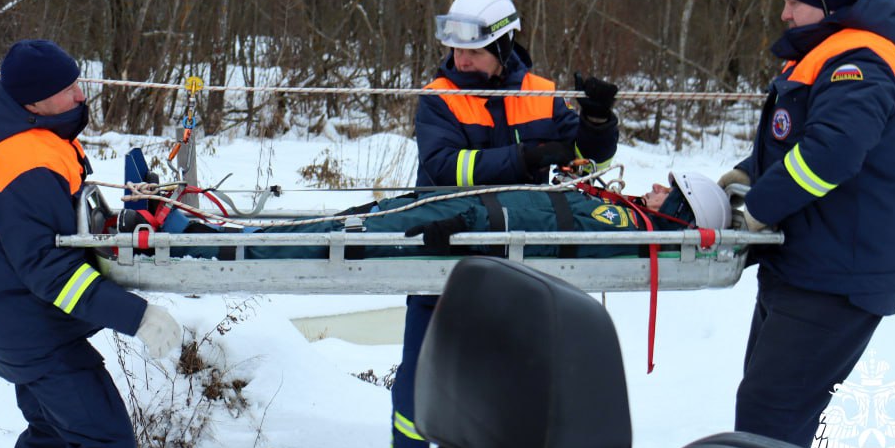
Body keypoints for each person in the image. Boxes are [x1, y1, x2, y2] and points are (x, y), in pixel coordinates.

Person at [388, 0, 621, 448]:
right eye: (455, 48)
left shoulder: (542, 95)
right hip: (444, 257)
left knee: (503, 393)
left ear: (504, 45)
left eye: (473, 50)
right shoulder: (440, 97)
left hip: (521, 265)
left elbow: (585, 158)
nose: (461, 59)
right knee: (417, 387)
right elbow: (445, 167)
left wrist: (596, 123)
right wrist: (523, 157)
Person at [0, 39, 182, 448]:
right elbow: (48, 270)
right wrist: (138, 317)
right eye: (68, 89)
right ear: (35, 101)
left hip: (20, 327)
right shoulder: (24, 164)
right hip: (38, 334)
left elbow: (56, 238)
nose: (81, 95)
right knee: (103, 445)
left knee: (50, 438)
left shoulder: (32, 140)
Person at [719, 0, 895, 448]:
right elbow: (797, 142)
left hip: (833, 279)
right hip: (804, 268)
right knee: (767, 419)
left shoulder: (861, 62)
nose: (784, 13)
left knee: (769, 426)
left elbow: (831, 154)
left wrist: (757, 208)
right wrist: (747, 175)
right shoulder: (828, 54)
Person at [135, 172, 729, 261]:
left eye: (667, 189)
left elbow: (549, 232)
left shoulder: (626, 226)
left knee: (341, 238)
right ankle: (212, 233)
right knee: (351, 221)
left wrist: (467, 232)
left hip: (466, 220)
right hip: (463, 207)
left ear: (679, 211)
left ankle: (199, 241)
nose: (654, 187)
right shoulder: (627, 214)